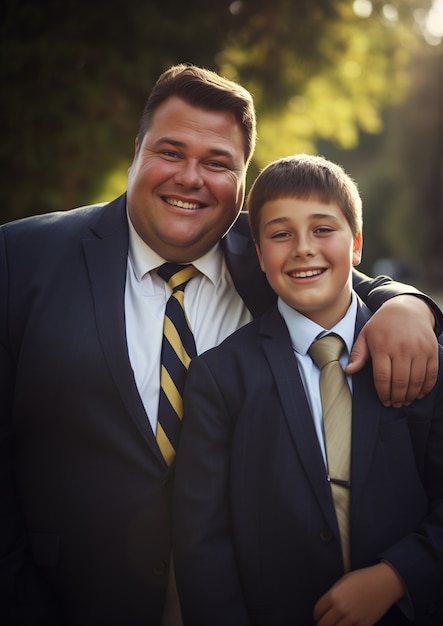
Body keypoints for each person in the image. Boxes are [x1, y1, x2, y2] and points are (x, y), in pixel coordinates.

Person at [0, 65, 441, 626]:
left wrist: (409, 304)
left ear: (242, 181)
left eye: (216, 163)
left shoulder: (269, 261)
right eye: (170, 152)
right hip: (70, 599)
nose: (190, 177)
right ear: (136, 151)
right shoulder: (21, 259)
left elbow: (341, 279)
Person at [172, 154, 443, 626]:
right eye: (280, 234)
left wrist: (395, 576)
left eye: (322, 229)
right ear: (258, 255)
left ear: (356, 244)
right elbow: (203, 543)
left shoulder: (424, 352)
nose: (302, 248)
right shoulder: (220, 377)